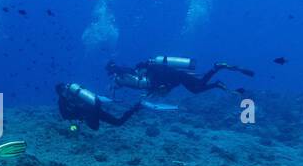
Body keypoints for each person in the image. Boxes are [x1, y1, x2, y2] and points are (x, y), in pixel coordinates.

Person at [107, 55, 253, 97]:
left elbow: (126, 71)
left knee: (197, 88)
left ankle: (217, 69)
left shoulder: (152, 73)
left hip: (180, 76)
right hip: (179, 77)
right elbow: (164, 85)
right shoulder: (153, 71)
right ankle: (217, 79)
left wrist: (115, 69)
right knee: (198, 87)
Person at [56, 83, 141, 130]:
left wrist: (78, 118)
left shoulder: (62, 101)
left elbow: (65, 115)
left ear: (59, 93)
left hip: (89, 113)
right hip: (96, 108)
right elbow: (93, 97)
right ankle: (136, 107)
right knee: (118, 122)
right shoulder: (75, 91)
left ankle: (135, 108)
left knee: (95, 128)